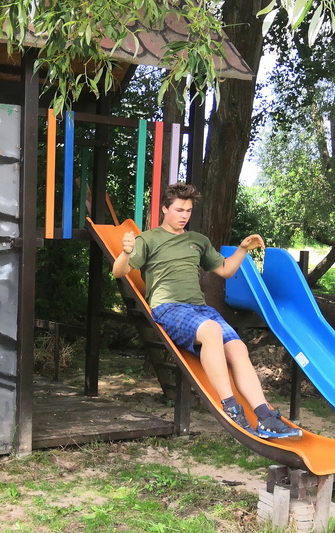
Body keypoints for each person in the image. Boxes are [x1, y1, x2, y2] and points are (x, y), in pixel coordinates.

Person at [112, 182, 301, 439]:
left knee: (238, 348)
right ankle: (231, 407)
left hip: (200, 310)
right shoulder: (148, 239)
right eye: (179, 210)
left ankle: (265, 416)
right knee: (211, 330)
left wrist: (242, 249)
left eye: (188, 211)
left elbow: (225, 270)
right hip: (168, 307)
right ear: (165, 209)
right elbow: (119, 271)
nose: (184, 216)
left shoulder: (197, 241)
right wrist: (125, 253)